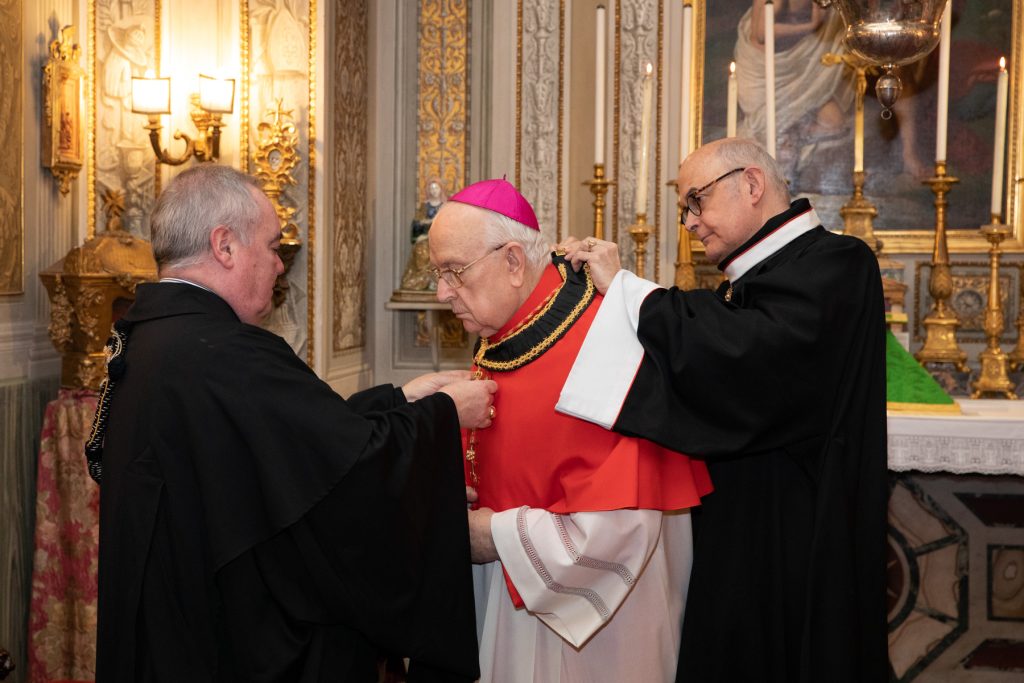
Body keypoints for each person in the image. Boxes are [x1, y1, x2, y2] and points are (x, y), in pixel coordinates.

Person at [86, 165, 497, 682]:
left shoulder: (152, 338)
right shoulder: (227, 355)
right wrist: (443, 416)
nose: (281, 266)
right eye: (273, 246)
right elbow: (343, 474)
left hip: (169, 634)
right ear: (225, 246)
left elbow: (294, 442)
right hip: (225, 645)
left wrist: (404, 399)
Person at [558, 138, 889, 681]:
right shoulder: (753, 281)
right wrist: (592, 297)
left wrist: (627, 291)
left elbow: (749, 356)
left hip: (799, 531)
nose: (690, 222)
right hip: (742, 524)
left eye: (696, 200)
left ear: (752, 184)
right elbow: (710, 349)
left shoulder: (838, 262)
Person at [428, 179, 712, 682]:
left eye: (454, 272)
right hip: (508, 590)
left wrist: (494, 535)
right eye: (438, 273)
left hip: (600, 623)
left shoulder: (608, 340)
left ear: (513, 262)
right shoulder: (505, 326)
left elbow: (622, 528)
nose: (442, 292)